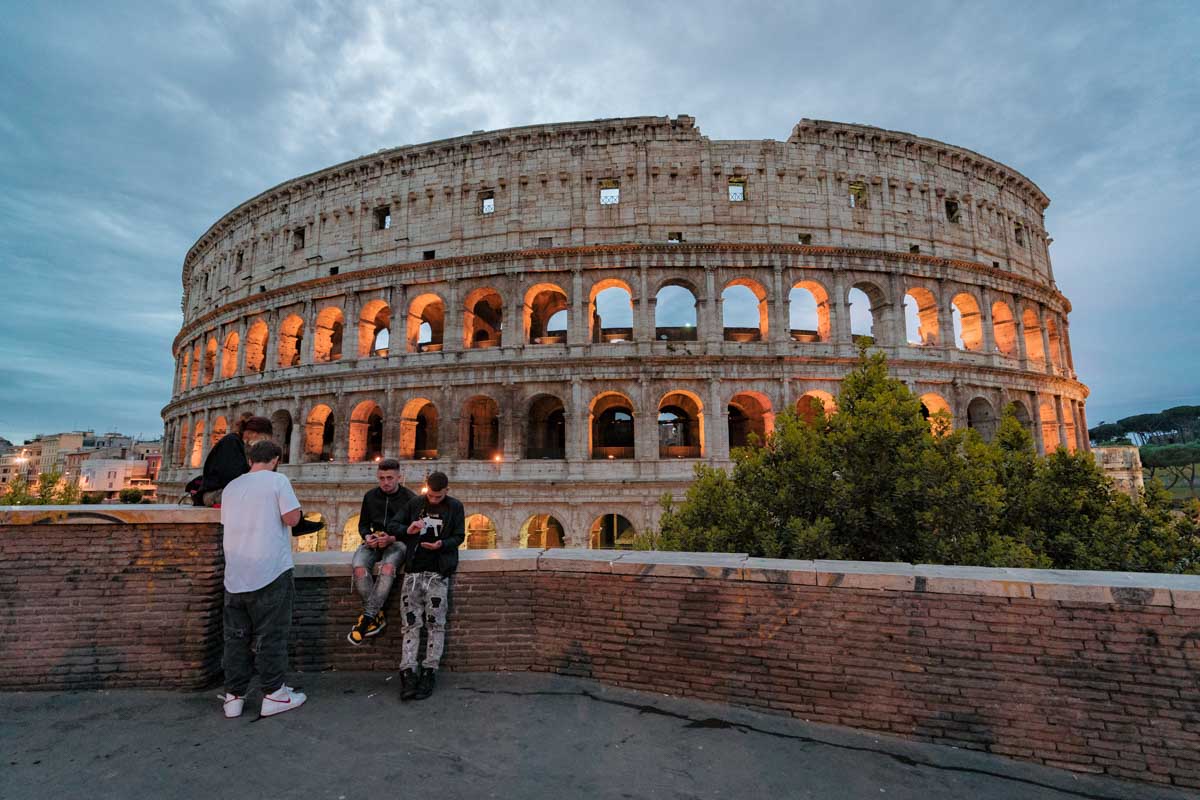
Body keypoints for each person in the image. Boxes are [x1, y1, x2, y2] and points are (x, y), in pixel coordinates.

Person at [218, 439, 307, 719]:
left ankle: (234, 697)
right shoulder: (277, 481)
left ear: (249, 461)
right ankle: (274, 693)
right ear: (277, 459)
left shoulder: (232, 487)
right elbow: (292, 519)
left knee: (235, 638)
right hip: (270, 570)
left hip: (235, 572)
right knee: (271, 635)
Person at [386, 471, 464, 701]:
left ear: (446, 491)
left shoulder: (455, 507)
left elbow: (459, 536)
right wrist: (408, 530)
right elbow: (393, 525)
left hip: (439, 572)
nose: (434, 499)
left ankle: (429, 672)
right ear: (426, 489)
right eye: (431, 495)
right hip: (413, 570)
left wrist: (442, 543)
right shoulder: (416, 503)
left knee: (435, 623)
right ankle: (408, 672)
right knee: (410, 623)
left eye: (439, 497)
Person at [347, 458, 415, 645]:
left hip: (397, 542)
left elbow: (413, 531)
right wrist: (367, 536)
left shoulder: (410, 498)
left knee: (387, 569)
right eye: (382, 478)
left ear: (399, 477)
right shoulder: (370, 496)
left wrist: (392, 538)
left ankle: (367, 618)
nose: (385, 482)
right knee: (358, 568)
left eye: (390, 478)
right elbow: (362, 525)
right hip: (373, 542)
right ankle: (377, 616)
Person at [200, 414, 273, 507]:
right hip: (215, 493)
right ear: (254, 433)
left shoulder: (240, 444)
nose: (263, 443)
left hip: (229, 491)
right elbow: (233, 477)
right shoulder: (231, 442)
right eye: (263, 439)